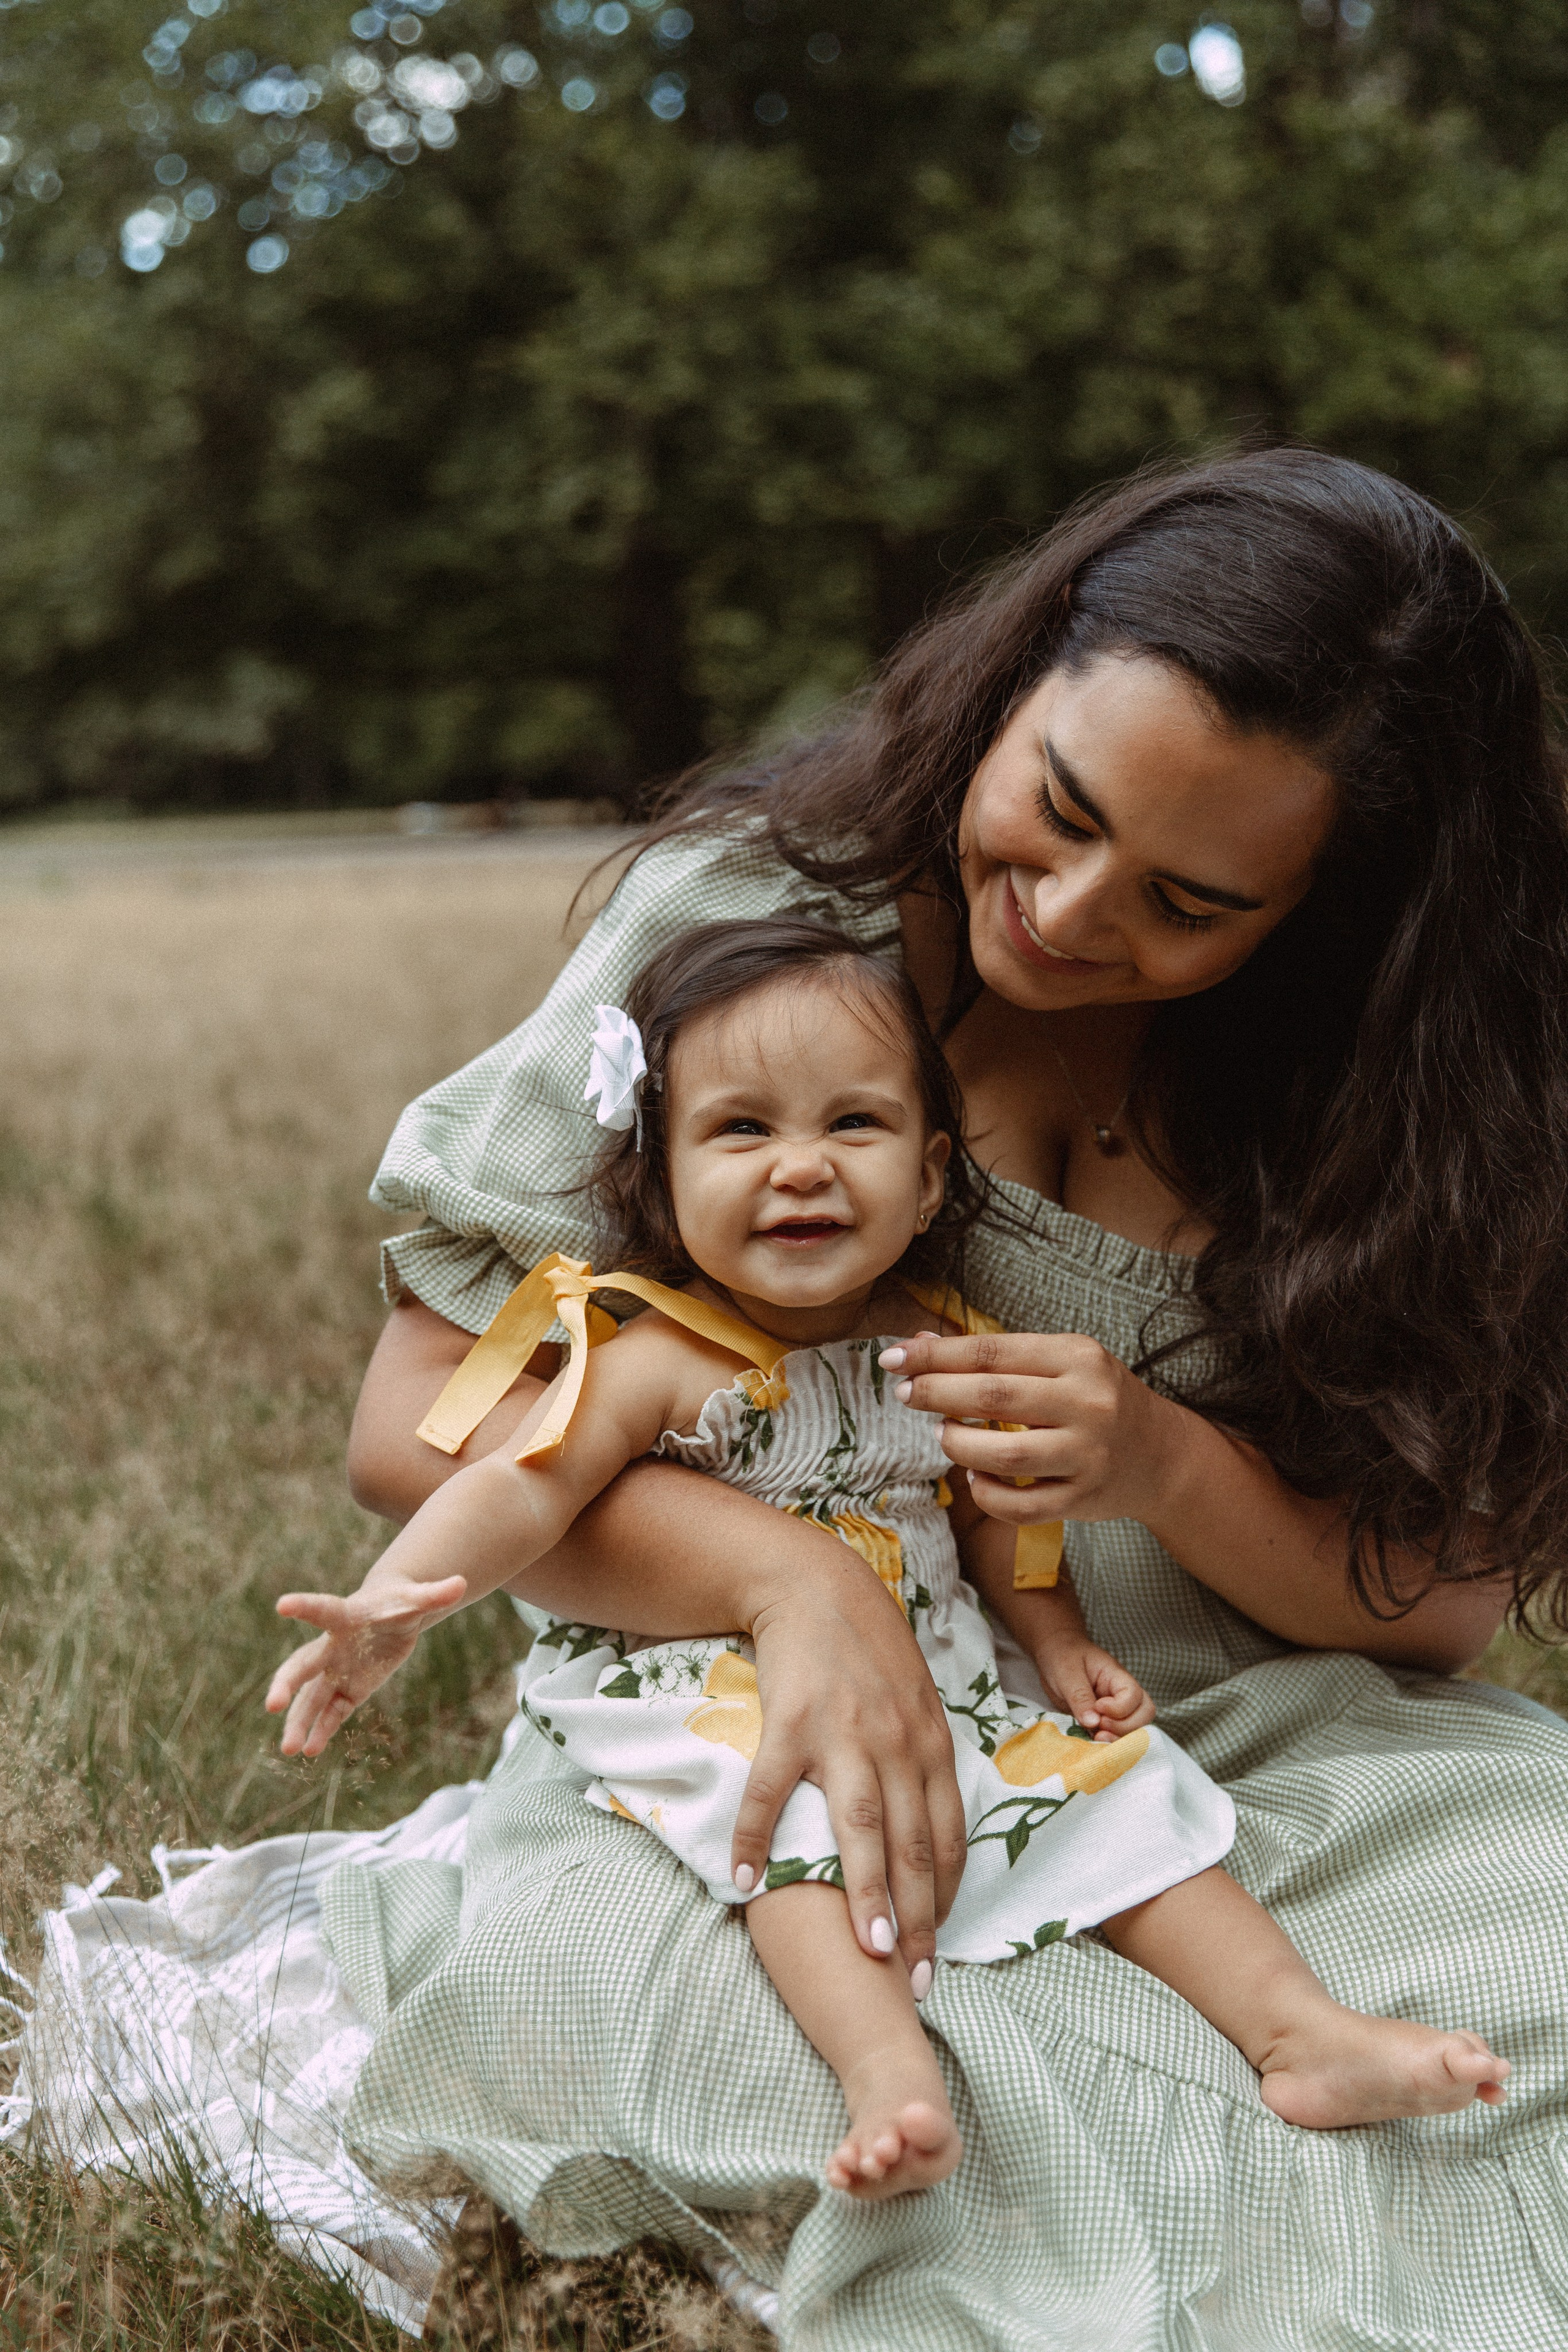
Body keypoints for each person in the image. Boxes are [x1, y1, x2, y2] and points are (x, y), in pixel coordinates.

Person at [321, 451, 1568, 2347]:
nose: (1065, 911)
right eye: (1056, 808)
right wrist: (791, 1584)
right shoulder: (758, 937)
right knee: (715, 2038)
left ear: (1333, 913)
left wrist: (1164, 1464)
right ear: (1020, 668)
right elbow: (410, 1424)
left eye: (1190, 900)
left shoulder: (1380, 1085)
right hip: (772, 1754)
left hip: (1231, 1742)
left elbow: (1438, 1609)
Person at [273, 919, 1508, 2197]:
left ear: (927, 1179)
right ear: (662, 1179)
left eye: (851, 1124)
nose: (801, 1165)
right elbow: (521, 1486)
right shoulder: (656, 1356)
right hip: (721, 1684)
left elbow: (995, 1519)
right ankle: (886, 2074)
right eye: (741, 1130)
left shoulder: (937, 1341)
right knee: (793, 1823)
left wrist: (1059, 1645)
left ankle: (1297, 2033)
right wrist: (396, 1600)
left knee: (1115, 1792)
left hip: (938, 1671)